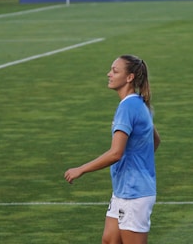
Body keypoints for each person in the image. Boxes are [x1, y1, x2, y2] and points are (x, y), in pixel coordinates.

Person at [64, 55, 161, 244]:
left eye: (115, 71)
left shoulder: (128, 107)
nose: (109, 74)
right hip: (123, 191)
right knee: (109, 241)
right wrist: (138, 162)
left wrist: (81, 169)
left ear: (129, 77)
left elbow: (116, 153)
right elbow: (155, 140)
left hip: (134, 194)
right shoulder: (139, 103)